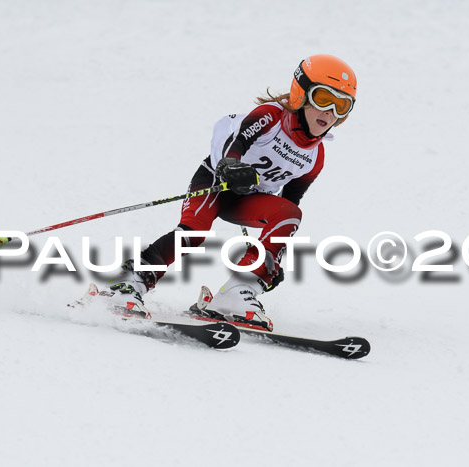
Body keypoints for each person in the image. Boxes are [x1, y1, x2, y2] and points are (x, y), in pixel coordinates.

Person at [110, 54, 357, 331]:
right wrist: (231, 166)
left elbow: (287, 205)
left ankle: (238, 291)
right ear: (301, 93)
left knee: (292, 213)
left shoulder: (315, 157)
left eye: (341, 105)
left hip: (247, 200)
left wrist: (271, 259)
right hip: (216, 182)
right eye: (323, 98)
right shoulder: (271, 117)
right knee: (193, 233)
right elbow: (235, 143)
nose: (329, 112)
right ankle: (131, 282)